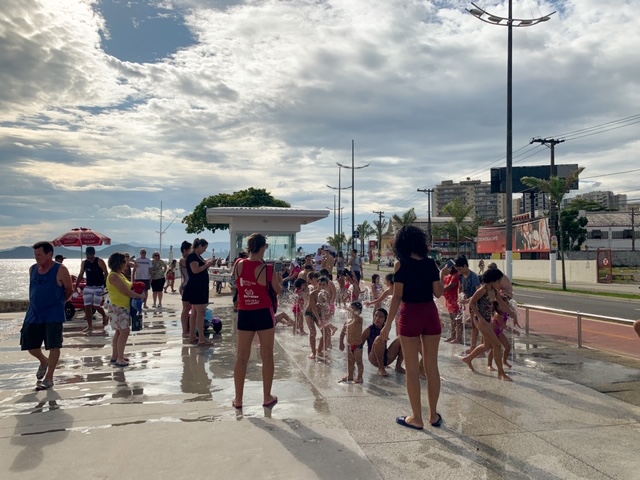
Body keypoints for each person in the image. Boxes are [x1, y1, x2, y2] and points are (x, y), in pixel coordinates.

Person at [380, 226, 447, 430]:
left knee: (411, 369)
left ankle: (416, 417)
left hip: (410, 314)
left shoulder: (401, 265)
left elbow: (397, 296)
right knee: (431, 367)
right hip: (430, 313)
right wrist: (441, 275)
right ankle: (433, 415)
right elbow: (438, 293)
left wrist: (387, 324)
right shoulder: (430, 264)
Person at [232, 233, 282, 411]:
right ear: (263, 248)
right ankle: (267, 396)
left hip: (245, 312)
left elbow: (237, 284)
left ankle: (238, 399)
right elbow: (278, 290)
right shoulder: (268, 269)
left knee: (242, 357)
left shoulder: (238, 264)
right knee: (267, 355)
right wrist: (279, 279)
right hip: (263, 313)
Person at [20, 241, 73, 390]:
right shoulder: (32, 269)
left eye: (39, 255)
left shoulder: (60, 270)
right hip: (34, 314)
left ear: (49, 254)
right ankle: (44, 361)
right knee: (29, 345)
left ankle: (49, 378)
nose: (36, 258)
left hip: (53, 314)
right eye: (35, 255)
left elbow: (69, 290)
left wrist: (59, 303)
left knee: (54, 345)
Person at [463, 268, 515, 382]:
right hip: (480, 320)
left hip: (487, 320)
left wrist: (513, 314)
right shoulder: (483, 290)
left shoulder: (494, 291)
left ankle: (468, 359)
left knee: (487, 346)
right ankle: (501, 373)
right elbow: (472, 303)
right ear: (492, 281)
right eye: (498, 282)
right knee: (497, 345)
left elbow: (503, 305)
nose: (500, 284)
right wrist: (480, 317)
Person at [105, 252, 144, 367]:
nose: (126, 264)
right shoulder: (113, 276)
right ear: (119, 263)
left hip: (121, 306)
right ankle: (119, 358)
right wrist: (139, 296)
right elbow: (125, 291)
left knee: (119, 331)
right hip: (118, 307)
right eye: (124, 262)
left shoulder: (119, 275)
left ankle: (116, 355)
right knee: (124, 331)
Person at [185, 238, 215, 347]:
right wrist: (207, 265)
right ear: (200, 246)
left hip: (200, 286)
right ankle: (201, 338)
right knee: (200, 312)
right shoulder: (193, 256)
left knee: (195, 312)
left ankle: (193, 335)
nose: (204, 250)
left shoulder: (197, 256)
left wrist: (208, 263)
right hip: (197, 287)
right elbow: (195, 270)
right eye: (204, 248)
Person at [75, 246, 108, 333]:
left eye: (90, 255)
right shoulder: (84, 263)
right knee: (87, 306)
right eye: (87, 255)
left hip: (98, 286)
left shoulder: (99, 261)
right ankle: (90, 326)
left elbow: (106, 273)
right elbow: (81, 274)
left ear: (93, 254)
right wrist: (75, 287)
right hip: (88, 286)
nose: (88, 257)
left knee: (96, 305)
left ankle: (104, 315)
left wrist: (106, 285)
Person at [364, 307, 404, 376]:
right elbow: (359, 343)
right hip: (374, 358)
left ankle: (398, 366)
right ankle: (381, 368)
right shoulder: (369, 329)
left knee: (403, 338)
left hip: (386, 357)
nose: (377, 318)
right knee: (379, 338)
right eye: (376, 315)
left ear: (385, 319)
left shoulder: (385, 328)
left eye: (381, 317)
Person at [455, 255, 481, 352]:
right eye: (458, 269)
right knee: (474, 326)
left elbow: (478, 291)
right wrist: (461, 296)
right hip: (471, 304)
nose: (459, 271)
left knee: (477, 326)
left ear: (466, 266)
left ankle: (476, 347)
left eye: (460, 269)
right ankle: (474, 346)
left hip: (478, 304)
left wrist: (467, 300)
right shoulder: (462, 276)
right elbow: (461, 288)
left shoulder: (473, 276)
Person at [339, 301, 365, 383]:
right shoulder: (347, 321)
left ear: (359, 311)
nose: (351, 311)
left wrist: (349, 309)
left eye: (353, 309)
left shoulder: (359, 320)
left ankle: (360, 377)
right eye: (351, 308)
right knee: (350, 362)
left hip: (357, 345)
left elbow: (355, 316)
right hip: (349, 345)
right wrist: (341, 343)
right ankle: (350, 375)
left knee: (359, 362)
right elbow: (342, 333)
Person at [443, 266, 463, 344]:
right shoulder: (449, 276)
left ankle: (459, 337)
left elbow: (452, 286)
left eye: (448, 268)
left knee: (457, 319)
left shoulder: (456, 275)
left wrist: (441, 290)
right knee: (452, 319)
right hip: (450, 300)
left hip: (455, 300)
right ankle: (453, 335)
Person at [178, 241, 192, 338]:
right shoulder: (183, 260)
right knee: (186, 308)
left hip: (189, 285)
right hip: (185, 286)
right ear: (185, 250)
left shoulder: (188, 259)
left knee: (190, 308)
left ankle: (189, 328)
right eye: (190, 249)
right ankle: (185, 330)